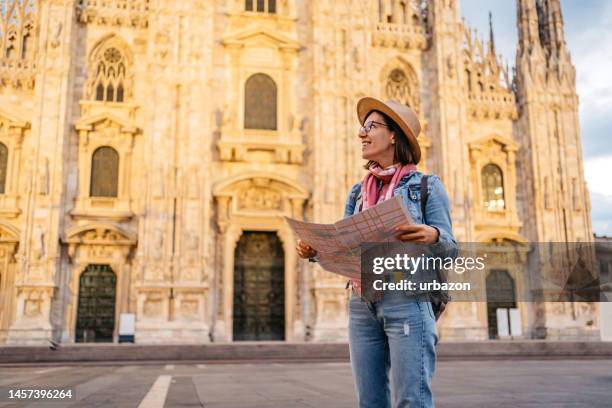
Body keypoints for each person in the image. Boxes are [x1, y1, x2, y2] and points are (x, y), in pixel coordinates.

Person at [296, 97, 456, 408]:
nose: (362, 134)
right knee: (369, 402)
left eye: (371, 126)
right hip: (361, 303)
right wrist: (316, 249)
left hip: (407, 300)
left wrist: (431, 235)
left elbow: (451, 247)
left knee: (412, 401)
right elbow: (344, 246)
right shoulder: (357, 192)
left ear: (394, 135)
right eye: (362, 127)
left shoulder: (426, 186)